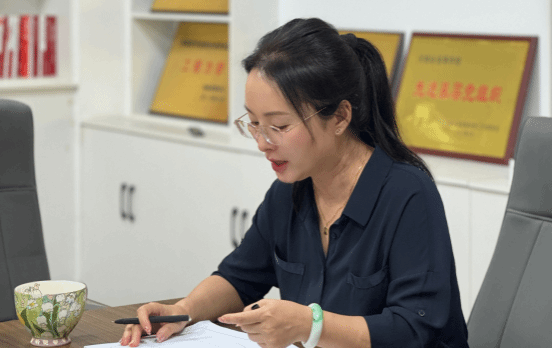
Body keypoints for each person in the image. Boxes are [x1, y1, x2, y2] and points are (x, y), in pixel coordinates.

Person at [120, 18, 469, 348]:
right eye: (254, 123)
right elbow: (240, 278)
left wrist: (310, 326)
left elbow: (414, 329)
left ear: (340, 117)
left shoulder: (406, 193)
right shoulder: (290, 191)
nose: (262, 142)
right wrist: (183, 311)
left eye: (279, 126)